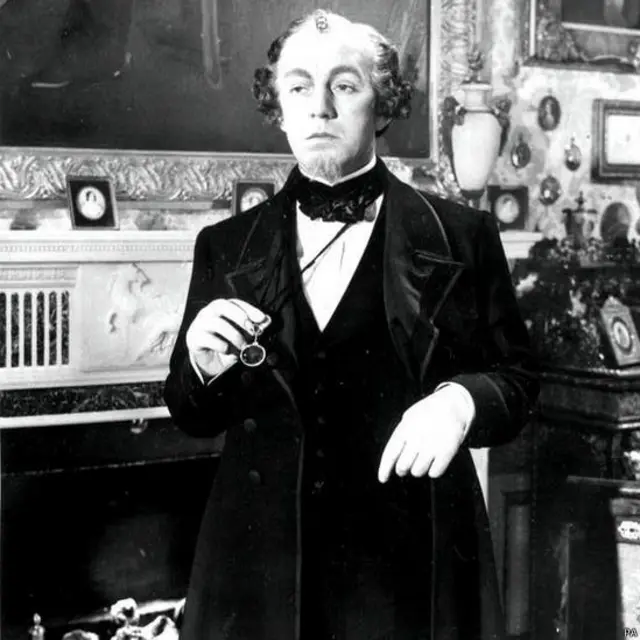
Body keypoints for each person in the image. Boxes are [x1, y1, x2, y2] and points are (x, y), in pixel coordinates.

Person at [164, 9, 539, 640]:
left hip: (409, 563)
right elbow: (191, 414)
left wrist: (459, 402)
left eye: (344, 85)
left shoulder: (460, 235)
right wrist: (200, 365)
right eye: (298, 87)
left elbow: (519, 378)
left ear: (383, 104)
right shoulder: (225, 246)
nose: (320, 108)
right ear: (279, 109)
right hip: (261, 565)